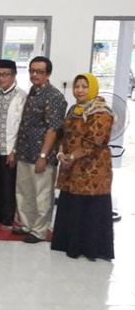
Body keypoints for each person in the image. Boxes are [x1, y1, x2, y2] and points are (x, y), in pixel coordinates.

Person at [52, 73, 114, 260]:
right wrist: (61, 153)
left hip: (92, 170)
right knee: (72, 204)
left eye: (84, 87)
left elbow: (93, 141)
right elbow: (63, 134)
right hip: (71, 168)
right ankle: (68, 244)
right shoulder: (74, 109)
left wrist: (71, 156)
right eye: (77, 86)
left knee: (88, 208)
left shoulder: (101, 112)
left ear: (93, 88)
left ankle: (89, 249)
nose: (79, 90)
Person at [14, 56, 67, 243]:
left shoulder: (54, 96)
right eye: (32, 71)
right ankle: (27, 225)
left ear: (48, 74)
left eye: (40, 71)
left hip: (42, 155)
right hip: (25, 152)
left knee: (42, 194)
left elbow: (53, 129)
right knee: (24, 191)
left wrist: (43, 156)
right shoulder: (33, 92)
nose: (34, 75)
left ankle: (39, 231)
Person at [0, 60, 27, 229]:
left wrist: (15, 151)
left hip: (10, 149)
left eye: (5, 74)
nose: (1, 78)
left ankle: (7, 217)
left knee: (8, 185)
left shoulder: (21, 96)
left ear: (14, 75)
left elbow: (22, 126)